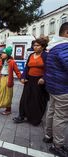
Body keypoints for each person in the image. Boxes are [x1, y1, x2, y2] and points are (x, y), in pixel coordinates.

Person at [43, 22, 68, 157]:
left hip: (53, 86)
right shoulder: (65, 47)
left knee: (51, 111)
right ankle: (58, 145)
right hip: (63, 88)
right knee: (61, 117)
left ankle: (48, 135)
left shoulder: (53, 47)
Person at [13, 38, 49, 126]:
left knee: (37, 100)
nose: (35, 47)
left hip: (39, 81)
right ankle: (21, 116)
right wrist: (23, 76)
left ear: (43, 46)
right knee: (25, 98)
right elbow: (27, 67)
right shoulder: (31, 55)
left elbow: (49, 69)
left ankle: (35, 119)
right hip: (29, 80)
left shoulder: (46, 56)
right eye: (34, 45)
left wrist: (44, 78)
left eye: (37, 45)